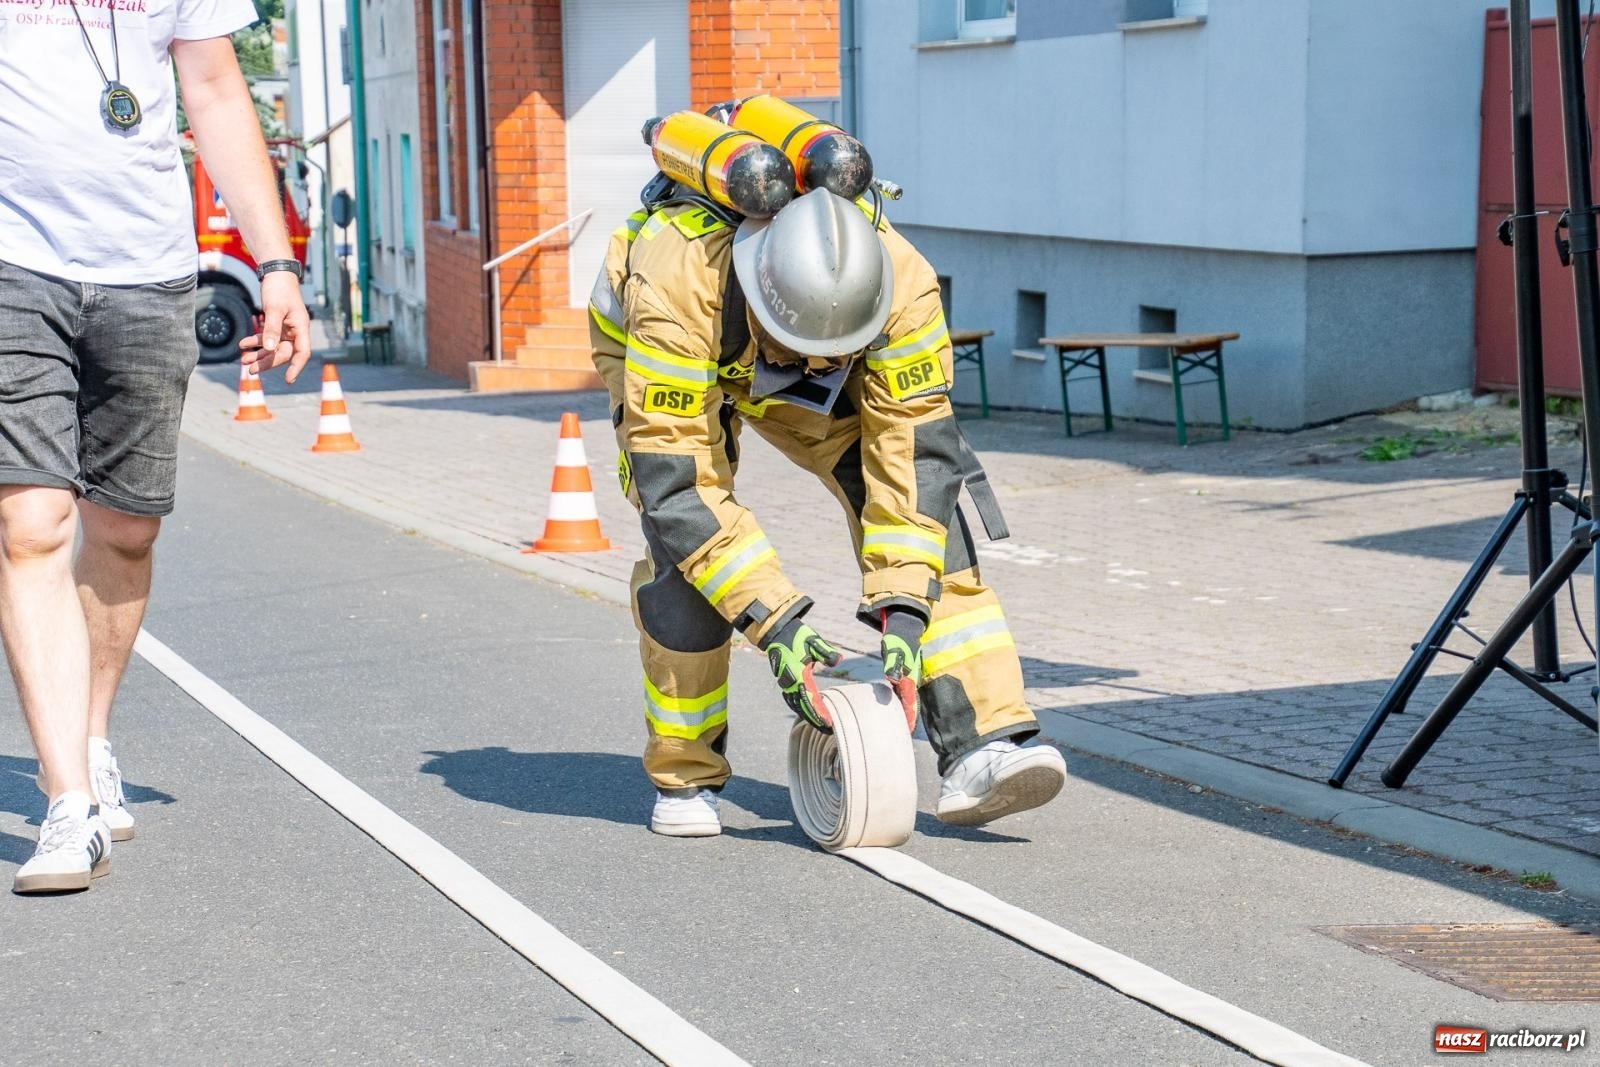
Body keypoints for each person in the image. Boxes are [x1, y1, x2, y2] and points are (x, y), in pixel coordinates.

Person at [590, 185, 1068, 837]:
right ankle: (685, 774)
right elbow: (682, 487)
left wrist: (904, 611)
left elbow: (916, 455)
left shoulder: (903, 283)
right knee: (686, 551)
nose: (816, 363)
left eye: (833, 349)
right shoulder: (676, 281)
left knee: (936, 520)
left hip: (805, 373)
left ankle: (982, 746)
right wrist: (777, 624)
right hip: (677, 356)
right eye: (806, 349)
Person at [1, 6, 312, 893]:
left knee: (127, 529)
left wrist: (277, 265)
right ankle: (66, 805)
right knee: (29, 524)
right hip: (14, 267)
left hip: (146, 269)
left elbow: (214, 89)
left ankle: (91, 740)